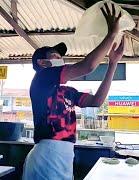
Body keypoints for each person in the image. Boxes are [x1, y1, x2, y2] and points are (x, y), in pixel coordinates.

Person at [22, 4, 124, 180]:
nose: (60, 58)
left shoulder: (68, 91)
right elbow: (87, 66)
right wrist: (111, 34)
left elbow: (96, 102)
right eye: (55, 55)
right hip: (45, 157)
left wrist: (113, 63)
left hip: (65, 158)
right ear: (42, 63)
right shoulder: (41, 79)